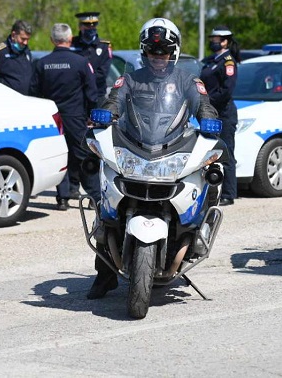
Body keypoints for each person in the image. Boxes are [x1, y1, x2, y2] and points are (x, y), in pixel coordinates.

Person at [87, 17, 219, 300]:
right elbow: (115, 98)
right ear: (144, 51)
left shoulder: (187, 80)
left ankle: (195, 235)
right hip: (136, 147)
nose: (159, 57)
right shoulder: (131, 79)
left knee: (212, 174)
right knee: (107, 206)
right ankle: (105, 275)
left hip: (171, 148)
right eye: (152, 51)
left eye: (164, 51)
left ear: (175, 52)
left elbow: (203, 105)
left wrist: (208, 118)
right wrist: (106, 112)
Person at [30, 23, 99, 211]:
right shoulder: (81, 62)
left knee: (60, 156)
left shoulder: (42, 64)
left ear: (52, 40)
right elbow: (91, 93)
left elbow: (33, 93)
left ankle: (62, 198)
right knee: (85, 155)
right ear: (69, 39)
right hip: (76, 117)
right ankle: (95, 197)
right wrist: (92, 114)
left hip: (51, 119)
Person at [200, 25, 241, 206]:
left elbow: (226, 90)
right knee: (207, 152)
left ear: (225, 41)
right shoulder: (210, 61)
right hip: (210, 113)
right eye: (212, 40)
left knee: (226, 153)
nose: (213, 43)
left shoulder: (228, 62)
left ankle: (228, 194)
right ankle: (209, 190)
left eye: (216, 40)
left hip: (223, 113)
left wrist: (207, 100)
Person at [0, 20, 35, 95]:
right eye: (23, 39)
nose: (25, 43)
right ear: (13, 35)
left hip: (25, 100)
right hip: (5, 100)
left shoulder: (26, 52)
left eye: (27, 39)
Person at [71, 12, 112, 103]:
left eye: (94, 25)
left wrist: (85, 79)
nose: (91, 28)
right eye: (87, 25)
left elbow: (103, 72)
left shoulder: (104, 46)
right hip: (76, 95)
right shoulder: (72, 44)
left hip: (97, 94)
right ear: (80, 26)